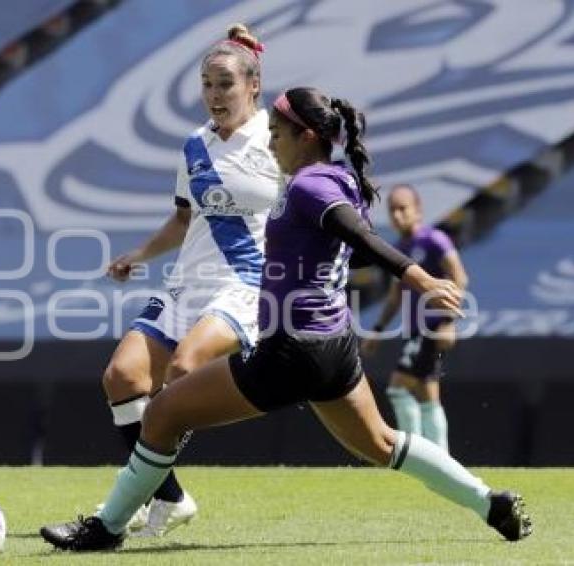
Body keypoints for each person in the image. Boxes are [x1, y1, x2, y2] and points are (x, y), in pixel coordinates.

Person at [40, 86, 532, 551]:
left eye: (277, 133)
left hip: (292, 348)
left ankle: (107, 527)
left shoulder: (310, 186)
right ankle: (488, 502)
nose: (270, 142)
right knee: (382, 442)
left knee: (164, 412)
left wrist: (417, 277)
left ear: (307, 137)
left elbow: (356, 235)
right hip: (332, 344)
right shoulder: (337, 176)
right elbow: (341, 242)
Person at [97, 24, 279, 536]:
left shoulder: (276, 139)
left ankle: (130, 492)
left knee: (185, 367)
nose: (215, 95)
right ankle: (168, 495)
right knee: (122, 377)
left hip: (243, 284)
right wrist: (139, 253)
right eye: (207, 84)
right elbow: (183, 219)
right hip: (186, 283)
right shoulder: (194, 146)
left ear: (253, 86)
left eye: (226, 83)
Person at [361, 184, 468, 450]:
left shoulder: (434, 240)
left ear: (417, 210)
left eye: (403, 209)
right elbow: (396, 296)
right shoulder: (400, 247)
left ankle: (415, 454)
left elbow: (459, 277)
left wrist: (448, 321)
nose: (397, 215)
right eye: (393, 210)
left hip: (430, 328)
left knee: (398, 389)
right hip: (414, 329)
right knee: (427, 393)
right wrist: (377, 329)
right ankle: (441, 457)